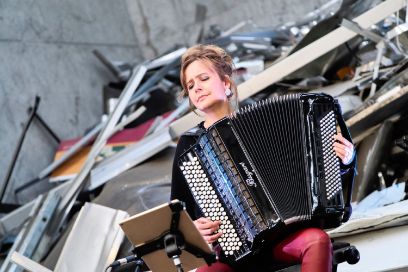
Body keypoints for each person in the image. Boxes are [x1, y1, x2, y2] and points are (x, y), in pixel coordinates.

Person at [170, 44, 356, 272]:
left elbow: (326, 176)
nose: (197, 88)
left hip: (283, 239)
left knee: (317, 240)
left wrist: (345, 160)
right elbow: (178, 214)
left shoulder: (262, 125)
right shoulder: (191, 146)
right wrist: (195, 230)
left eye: (204, 79)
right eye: (190, 85)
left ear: (226, 83)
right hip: (231, 253)